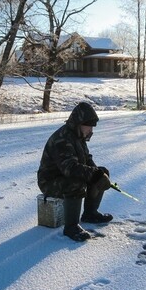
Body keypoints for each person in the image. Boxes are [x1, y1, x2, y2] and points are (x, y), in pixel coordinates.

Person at [37, 102, 113, 241]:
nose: (91, 130)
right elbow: (70, 168)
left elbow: (87, 159)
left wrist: (99, 174)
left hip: (64, 176)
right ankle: (71, 227)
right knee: (76, 182)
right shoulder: (62, 138)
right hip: (49, 181)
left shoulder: (78, 136)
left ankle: (90, 214)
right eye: (89, 126)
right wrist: (94, 175)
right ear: (79, 123)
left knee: (101, 172)